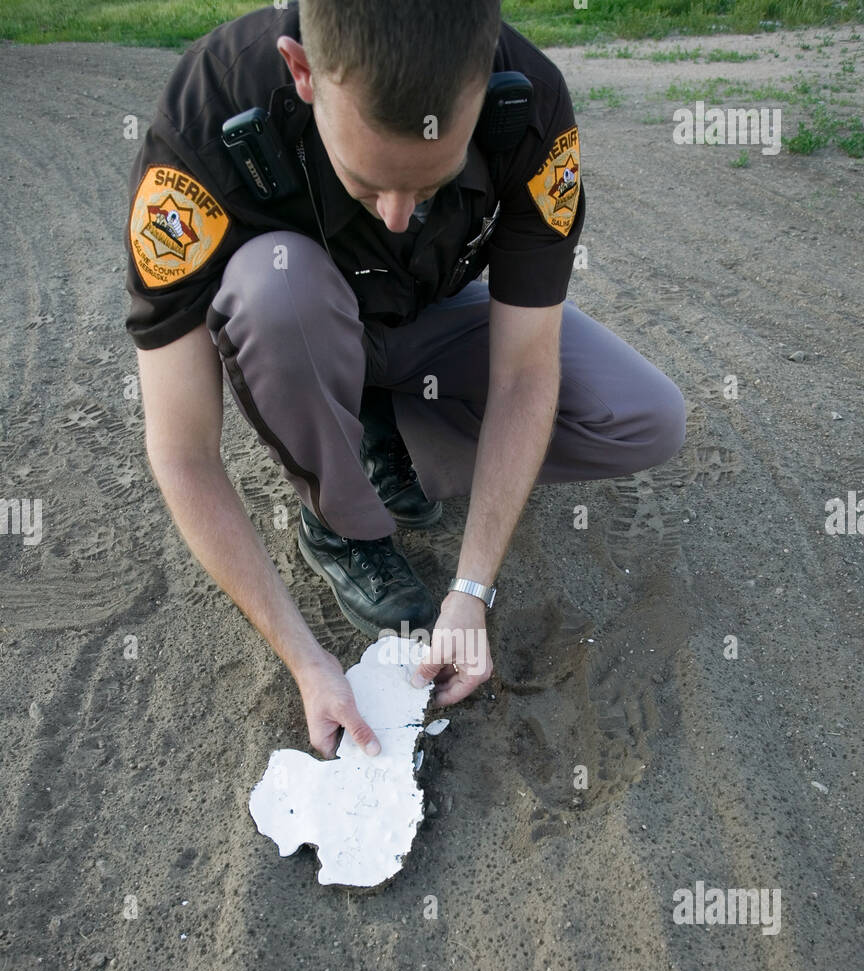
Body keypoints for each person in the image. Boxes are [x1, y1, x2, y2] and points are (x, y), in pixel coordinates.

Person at [126, 0, 686, 759]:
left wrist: (473, 587)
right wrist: (305, 659)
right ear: (303, 73)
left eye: (428, 186)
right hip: (303, 321)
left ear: (482, 86)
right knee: (272, 286)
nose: (396, 217)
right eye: (366, 183)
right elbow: (182, 450)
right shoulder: (206, 117)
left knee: (648, 417)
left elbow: (525, 368)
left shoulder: (531, 105)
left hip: (428, 319)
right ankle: (343, 521)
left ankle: (394, 438)